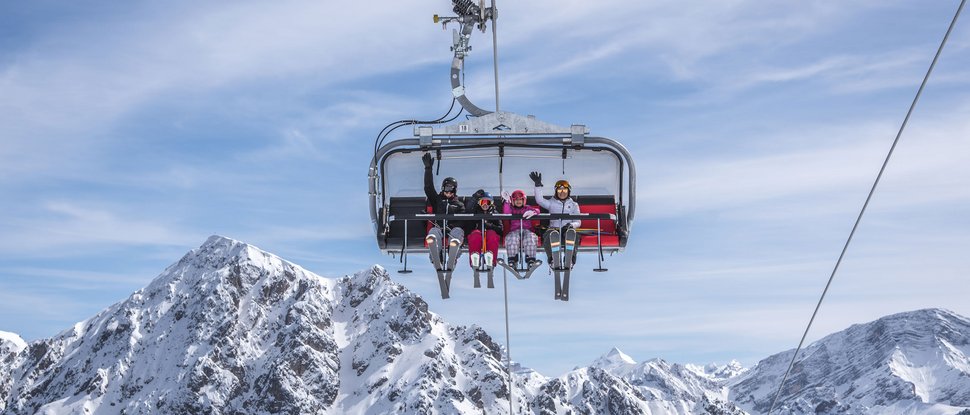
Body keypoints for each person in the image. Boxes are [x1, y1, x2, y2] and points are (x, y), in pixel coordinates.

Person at [423, 153, 465, 270]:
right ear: (443, 188)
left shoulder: (459, 204)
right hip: (439, 228)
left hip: (453, 230)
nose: (449, 192)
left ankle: (453, 256)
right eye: (447, 189)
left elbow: (462, 221)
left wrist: (452, 226)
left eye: (452, 190)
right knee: (433, 232)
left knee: (458, 232)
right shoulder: (437, 200)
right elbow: (428, 188)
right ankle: (436, 257)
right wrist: (428, 169)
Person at [530, 172, 581, 269]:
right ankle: (553, 260)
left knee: (574, 235)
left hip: (567, 229)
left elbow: (578, 221)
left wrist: (571, 225)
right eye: (559, 190)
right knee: (548, 235)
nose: (562, 192)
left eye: (565, 190)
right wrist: (538, 185)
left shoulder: (574, 205)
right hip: (554, 229)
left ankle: (570, 260)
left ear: (568, 191)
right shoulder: (551, 203)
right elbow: (540, 200)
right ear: (556, 191)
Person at [500, 189, 540, 268]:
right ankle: (512, 259)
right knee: (512, 238)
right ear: (513, 201)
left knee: (530, 238)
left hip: (527, 230)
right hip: (515, 230)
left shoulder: (527, 208)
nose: (518, 201)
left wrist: (533, 212)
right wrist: (507, 202)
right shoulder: (511, 209)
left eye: (520, 200)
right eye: (516, 200)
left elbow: (537, 210)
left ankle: (530, 259)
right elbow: (506, 212)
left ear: (524, 200)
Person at [467, 191, 502, 269]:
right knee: (475, 234)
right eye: (483, 202)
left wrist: (490, 225)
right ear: (479, 203)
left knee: (492, 234)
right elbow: (468, 210)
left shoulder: (494, 213)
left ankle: (491, 259)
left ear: (491, 203)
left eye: (488, 202)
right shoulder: (475, 212)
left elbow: (500, 229)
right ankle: (475, 259)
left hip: (490, 235)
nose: (485, 204)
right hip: (478, 234)